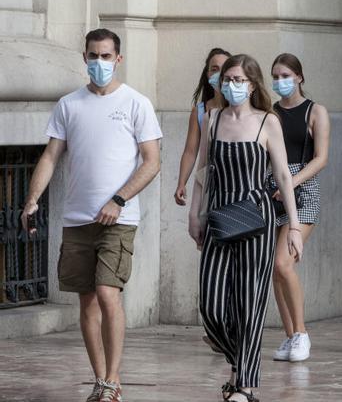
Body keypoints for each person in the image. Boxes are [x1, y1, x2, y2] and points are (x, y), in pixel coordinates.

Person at [21, 28, 162, 402]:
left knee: (107, 292)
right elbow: (51, 156)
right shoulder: (69, 104)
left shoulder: (136, 103)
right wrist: (32, 199)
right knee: (86, 301)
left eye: (105, 56)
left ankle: (114, 380)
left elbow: (152, 162)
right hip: (77, 219)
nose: (99, 63)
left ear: (118, 59)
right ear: (85, 58)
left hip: (118, 219)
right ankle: (100, 380)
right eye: (92, 56)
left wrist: (119, 199)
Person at [187, 54, 303, 402]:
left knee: (250, 301)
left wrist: (294, 226)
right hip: (220, 217)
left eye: (239, 80)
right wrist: (195, 214)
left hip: (258, 217)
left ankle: (245, 385)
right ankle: (239, 359)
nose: (232, 86)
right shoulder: (212, 118)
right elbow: (204, 170)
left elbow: (283, 175)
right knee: (211, 306)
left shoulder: (268, 122)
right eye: (227, 80)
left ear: (252, 85)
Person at [266, 53, 330, 363]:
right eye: (275, 76)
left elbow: (321, 158)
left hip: (303, 190)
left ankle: (302, 332)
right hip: (272, 190)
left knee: (283, 263)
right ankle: (290, 336)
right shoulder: (270, 112)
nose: (280, 81)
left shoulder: (315, 111)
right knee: (273, 271)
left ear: (299, 77)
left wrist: (291, 181)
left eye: (285, 75)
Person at [173, 47, 231, 207]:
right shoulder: (200, 111)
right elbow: (190, 151)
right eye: (214, 69)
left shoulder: (240, 108)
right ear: (207, 74)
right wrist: (181, 182)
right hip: (210, 183)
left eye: (224, 69)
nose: (219, 74)